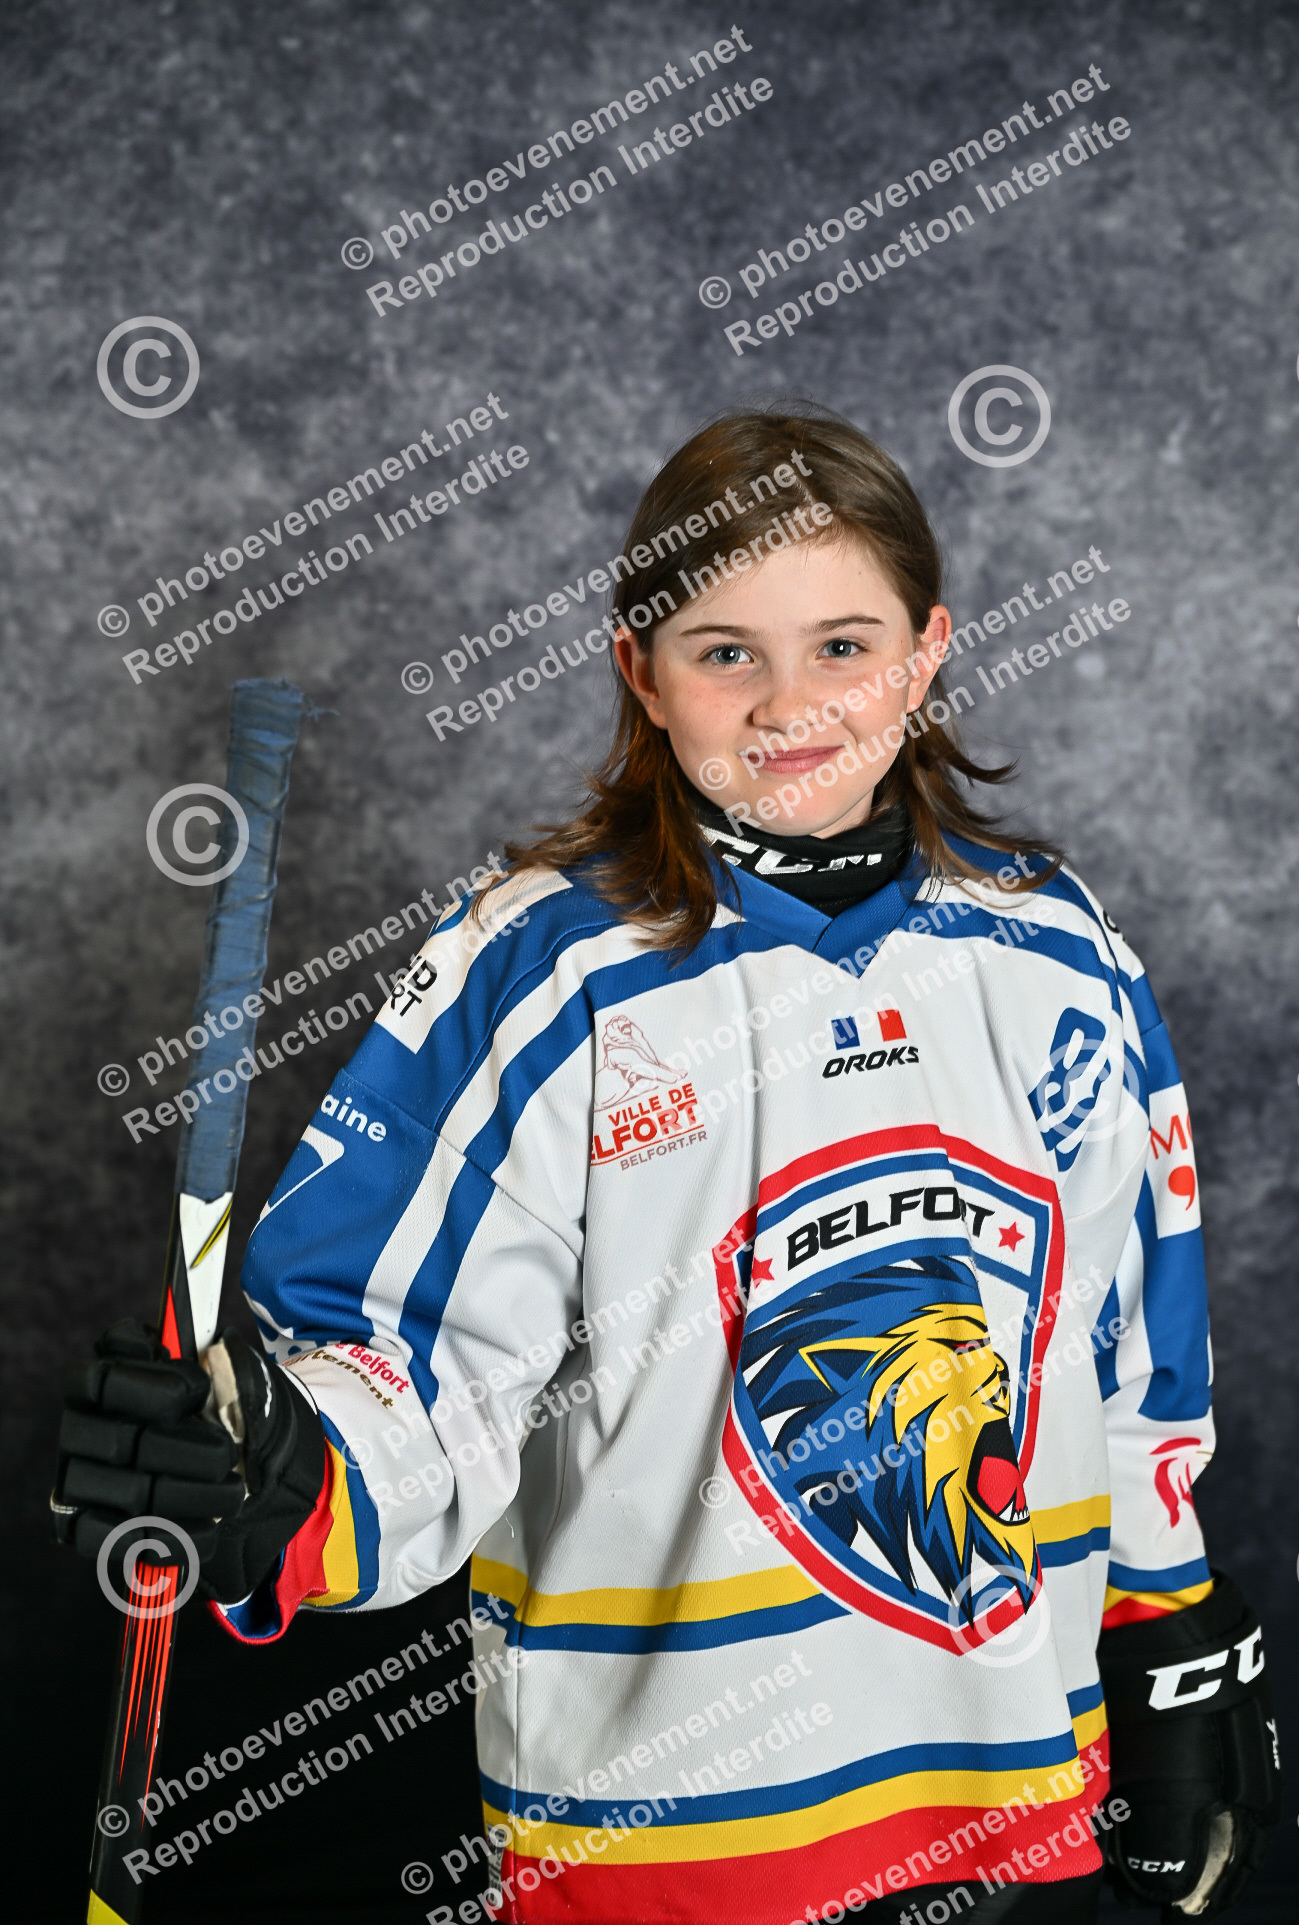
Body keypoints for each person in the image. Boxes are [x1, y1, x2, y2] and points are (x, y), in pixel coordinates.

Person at [56, 407, 1279, 1924]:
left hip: (1008, 1790)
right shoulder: (541, 969)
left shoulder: (1056, 949)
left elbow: (1129, 1341)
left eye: (844, 646)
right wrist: (282, 1466)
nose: (789, 704)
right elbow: (412, 1359)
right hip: (668, 1849)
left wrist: (1169, 1629)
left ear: (929, 652)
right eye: (725, 652)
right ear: (639, 669)